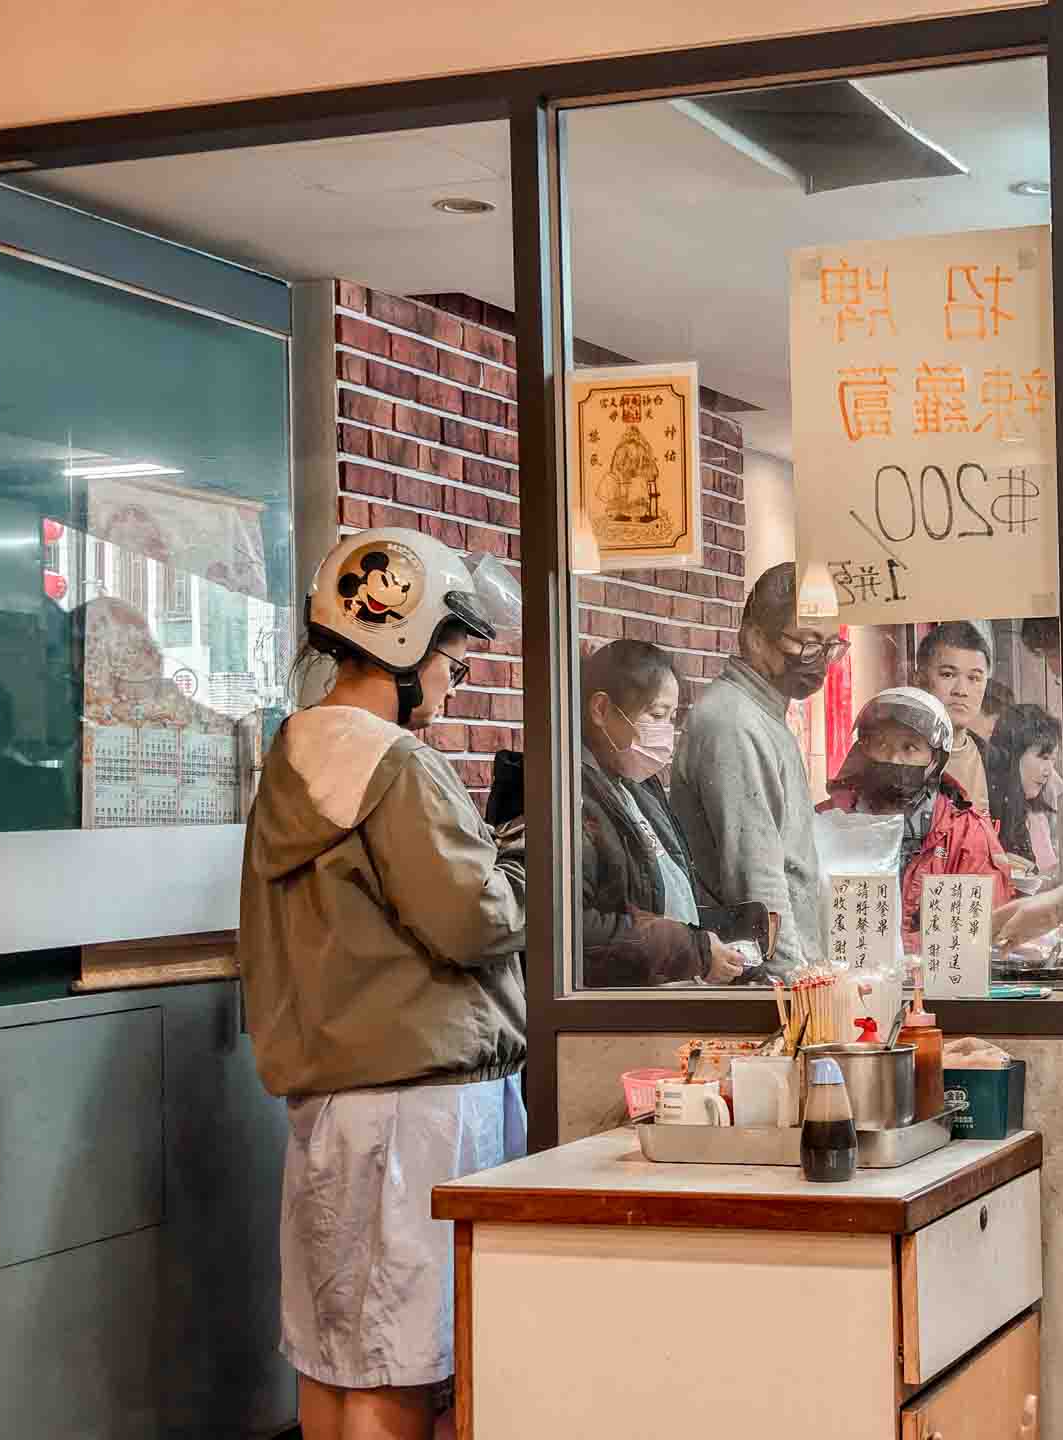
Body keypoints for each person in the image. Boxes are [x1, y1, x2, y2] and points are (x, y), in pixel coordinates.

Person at [238, 527, 526, 1440]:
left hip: (336, 1103)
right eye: (451, 656)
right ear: (405, 644)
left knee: (335, 1351)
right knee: (405, 1361)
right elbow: (476, 919)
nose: (452, 680)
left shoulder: (293, 756)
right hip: (416, 1105)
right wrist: (522, 865)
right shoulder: (395, 765)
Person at [672, 562, 842, 975]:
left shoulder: (764, 714)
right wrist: (793, 979)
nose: (820, 661)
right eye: (807, 644)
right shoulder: (733, 721)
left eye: (830, 647)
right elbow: (757, 871)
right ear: (755, 639)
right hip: (757, 977)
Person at [579, 638, 747, 987]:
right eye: (656, 715)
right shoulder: (571, 797)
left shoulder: (639, 785)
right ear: (601, 710)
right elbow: (575, 928)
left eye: (671, 718)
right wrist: (691, 950)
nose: (666, 732)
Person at [818, 686, 1011, 943]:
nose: (894, 758)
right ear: (863, 749)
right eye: (881, 745)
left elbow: (976, 934)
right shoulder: (826, 821)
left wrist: (897, 951)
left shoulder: (966, 833)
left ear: (934, 760)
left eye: (909, 747)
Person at [916, 620, 995, 814]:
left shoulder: (1001, 764)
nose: (962, 691)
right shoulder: (896, 754)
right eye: (948, 675)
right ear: (918, 680)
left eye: (974, 678)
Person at [986, 702, 1062, 873]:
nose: (1048, 771)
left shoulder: (1027, 810)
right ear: (1013, 754)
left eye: (1052, 759)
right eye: (1043, 757)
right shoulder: (983, 804)